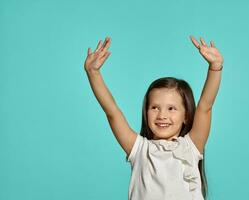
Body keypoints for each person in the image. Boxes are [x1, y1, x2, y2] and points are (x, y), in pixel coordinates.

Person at [84, 35, 223, 200]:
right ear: (146, 111)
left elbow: (205, 106)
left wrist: (215, 68)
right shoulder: (139, 150)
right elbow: (112, 111)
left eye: (171, 108)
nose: (162, 115)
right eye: (155, 108)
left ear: (186, 115)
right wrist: (93, 73)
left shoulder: (191, 147)